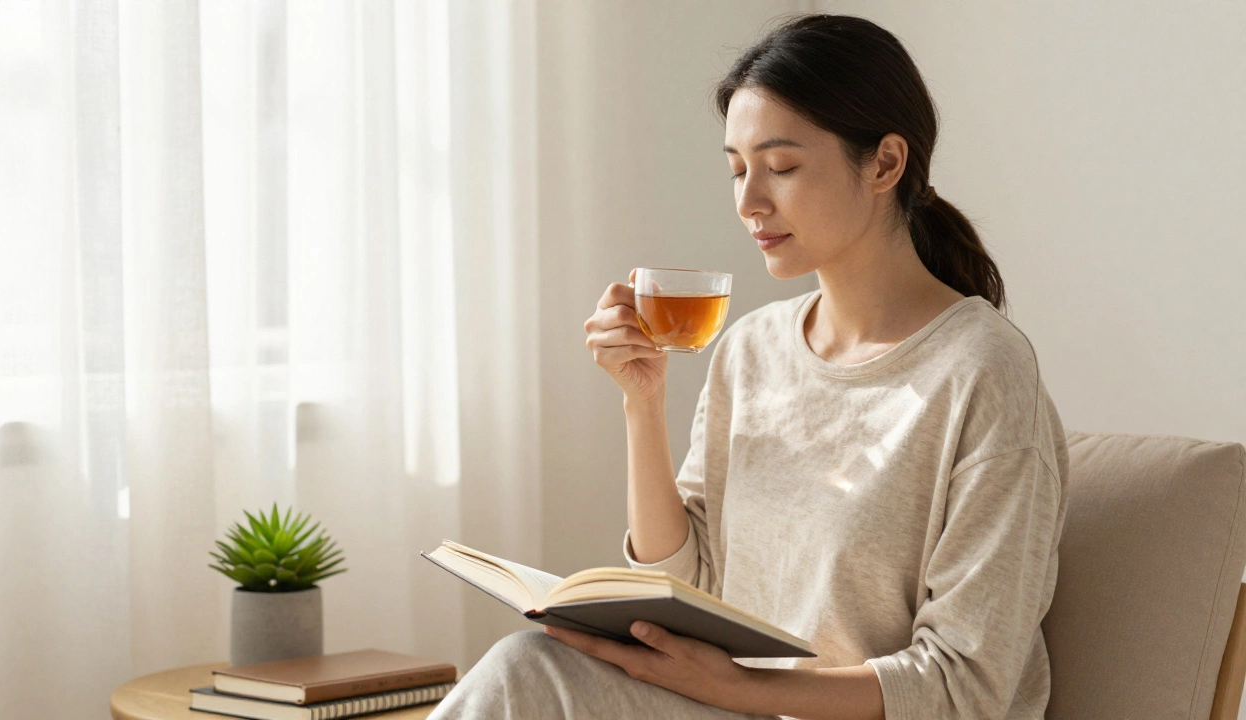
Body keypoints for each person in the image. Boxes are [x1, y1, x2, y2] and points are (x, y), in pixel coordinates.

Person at [428, 13, 1067, 720]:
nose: (748, 201)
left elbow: (965, 684)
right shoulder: (751, 350)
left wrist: (738, 688)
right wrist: (643, 403)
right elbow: (691, 585)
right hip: (737, 709)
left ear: (885, 163)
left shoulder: (984, 372)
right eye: (736, 168)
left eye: (782, 167)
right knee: (528, 668)